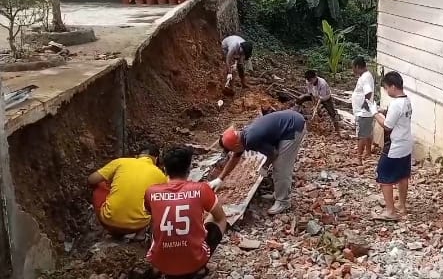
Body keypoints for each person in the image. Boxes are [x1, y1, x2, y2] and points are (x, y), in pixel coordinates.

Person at [145, 146, 228, 279]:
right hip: (194, 263)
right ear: (189, 169)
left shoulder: (151, 192)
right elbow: (220, 217)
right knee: (218, 218)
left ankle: (156, 267)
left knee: (153, 221)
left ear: (165, 169)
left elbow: (151, 215)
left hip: (162, 265)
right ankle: (199, 266)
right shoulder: (202, 189)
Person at [208, 110, 307, 215]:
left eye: (231, 150)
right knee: (277, 164)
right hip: (287, 123)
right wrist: (220, 179)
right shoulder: (242, 137)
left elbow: (273, 154)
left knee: (281, 166)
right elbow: (235, 158)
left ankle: (283, 202)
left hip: (293, 127)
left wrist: (265, 166)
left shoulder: (251, 139)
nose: (232, 153)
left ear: (236, 146)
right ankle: (279, 193)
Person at [87, 144, 167, 240]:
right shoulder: (161, 175)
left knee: (100, 184)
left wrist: (110, 184)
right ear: (156, 159)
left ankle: (112, 225)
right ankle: (140, 234)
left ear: (137, 156)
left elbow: (91, 179)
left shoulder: (121, 162)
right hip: (138, 225)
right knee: (156, 200)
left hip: (108, 221)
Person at [365, 71, 413, 221]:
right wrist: (383, 111)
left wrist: (374, 112)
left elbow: (387, 125)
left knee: (384, 177)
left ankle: (390, 211)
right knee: (403, 175)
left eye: (386, 88)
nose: (386, 91)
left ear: (393, 86)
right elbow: (396, 116)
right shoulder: (407, 100)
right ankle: (402, 206)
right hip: (406, 144)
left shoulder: (396, 104)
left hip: (394, 147)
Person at [351, 56, 375, 164]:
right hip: (365, 111)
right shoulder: (365, 76)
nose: (353, 70)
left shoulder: (365, 77)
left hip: (363, 112)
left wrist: (365, 104)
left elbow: (368, 92)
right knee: (367, 132)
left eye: (353, 68)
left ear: (357, 66)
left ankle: (359, 158)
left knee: (361, 135)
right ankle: (368, 152)